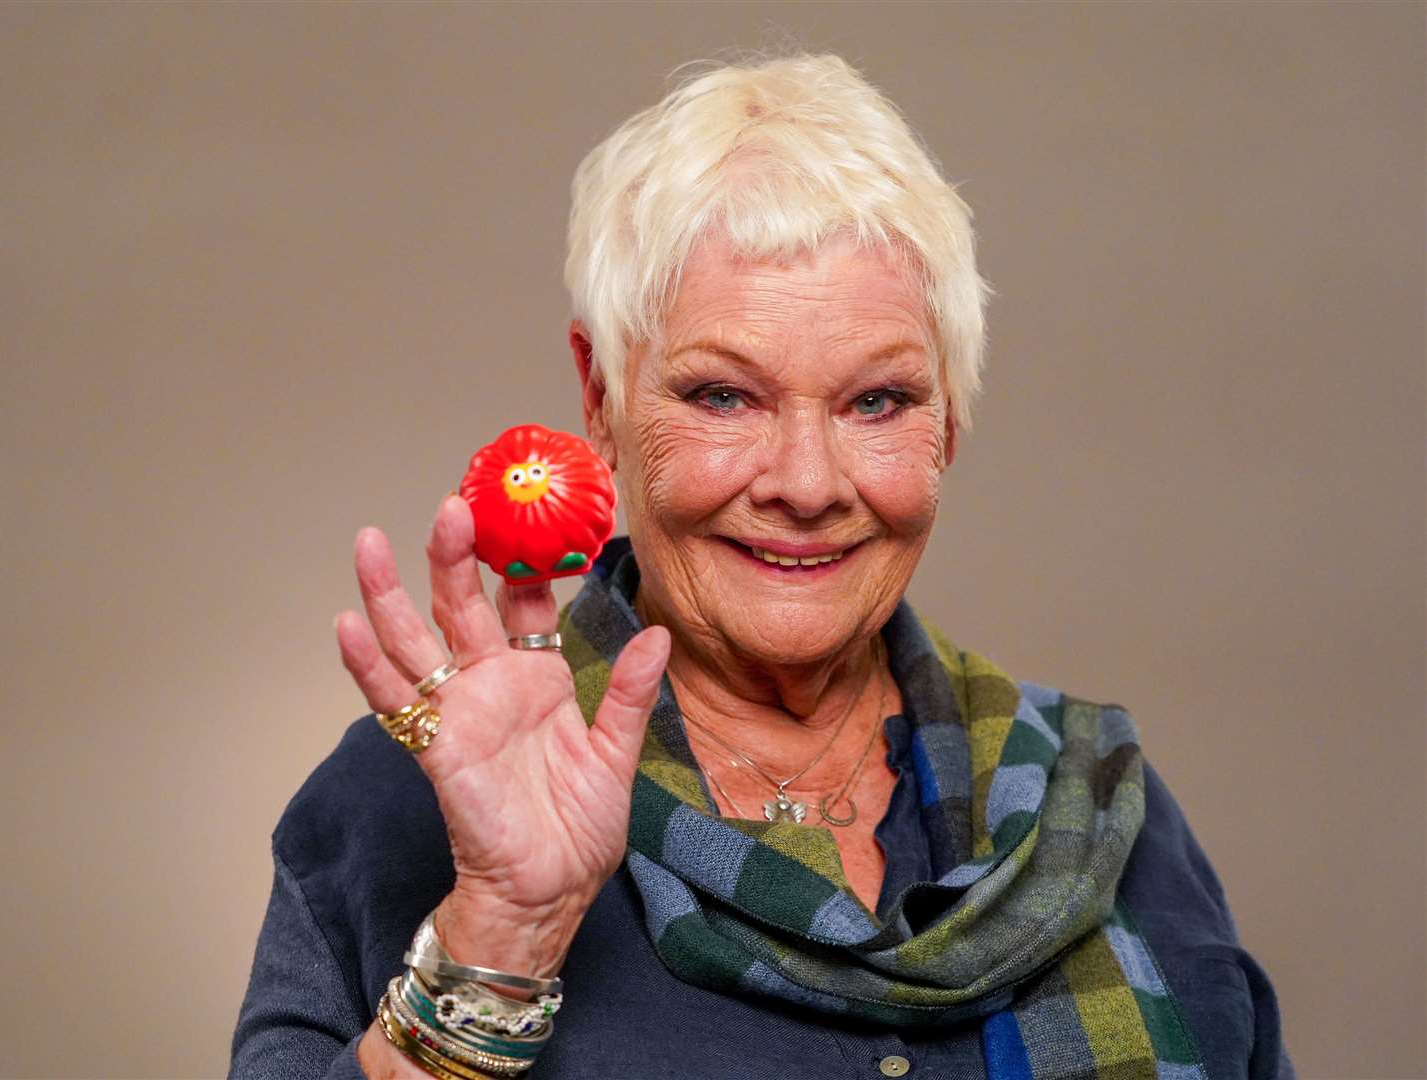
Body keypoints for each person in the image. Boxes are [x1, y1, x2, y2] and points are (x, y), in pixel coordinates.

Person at [230, 52, 1295, 1080]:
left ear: (950, 424)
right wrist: (504, 933)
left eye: (877, 401)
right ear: (601, 397)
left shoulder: (1096, 803)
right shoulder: (401, 804)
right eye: (723, 396)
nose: (806, 481)